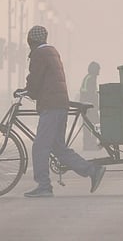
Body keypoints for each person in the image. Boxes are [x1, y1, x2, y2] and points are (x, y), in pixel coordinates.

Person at [23, 25, 106, 197]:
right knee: (58, 147)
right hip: (60, 104)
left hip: (51, 105)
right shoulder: (52, 52)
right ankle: (92, 170)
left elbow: (35, 79)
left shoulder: (39, 54)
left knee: (40, 146)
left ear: (31, 41)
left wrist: (27, 91)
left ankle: (44, 186)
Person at [79, 61, 101, 151]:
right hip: (88, 107)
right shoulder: (90, 78)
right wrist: (94, 106)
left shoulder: (90, 78)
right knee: (92, 125)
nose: (99, 71)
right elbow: (90, 94)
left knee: (91, 125)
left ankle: (90, 144)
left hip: (88, 106)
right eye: (98, 69)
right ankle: (90, 145)